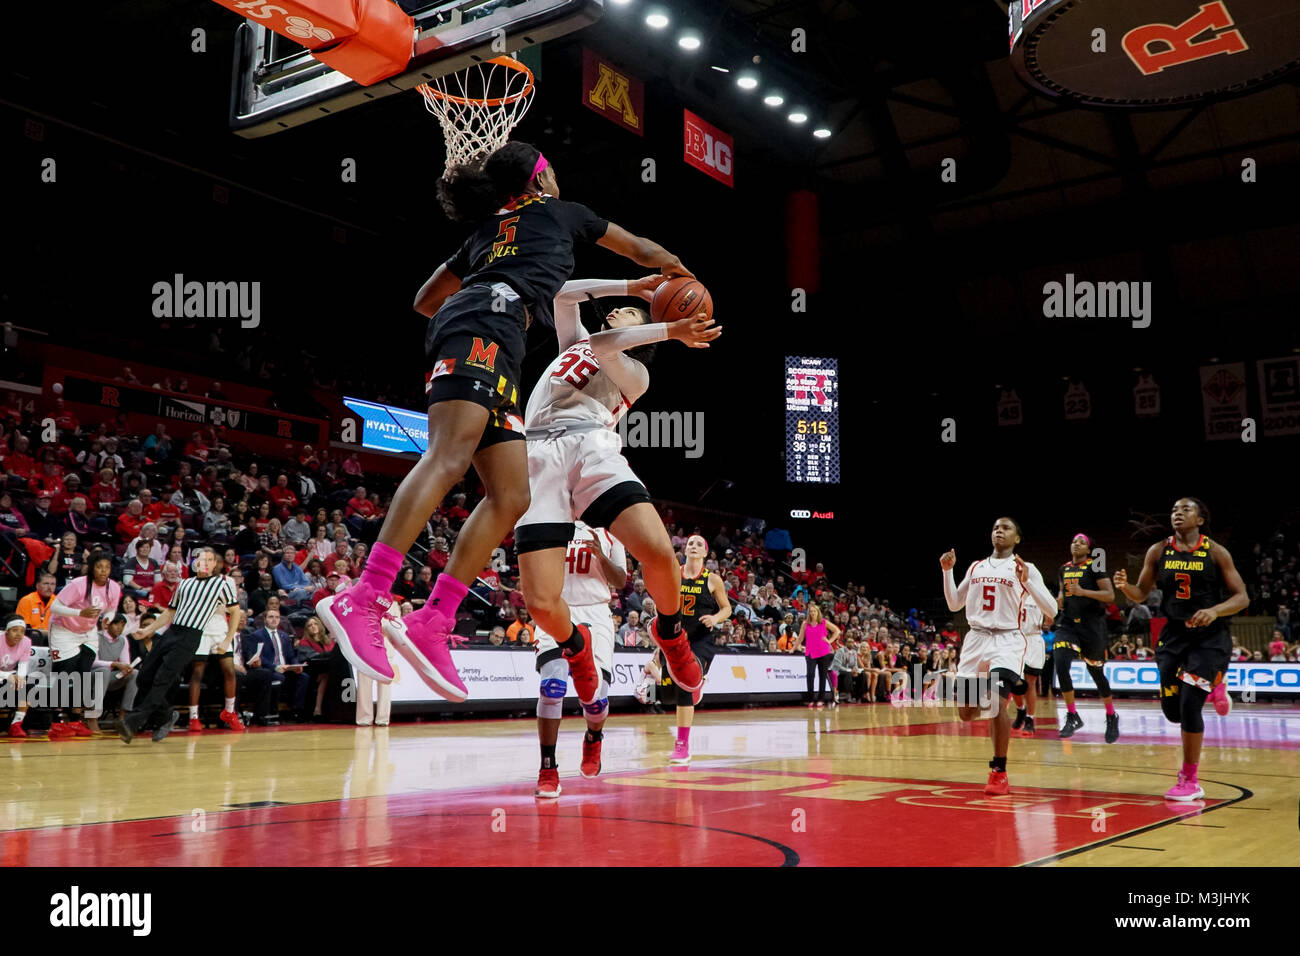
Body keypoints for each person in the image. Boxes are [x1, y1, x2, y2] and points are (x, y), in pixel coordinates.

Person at [318, 139, 696, 708]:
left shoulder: (482, 235)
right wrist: (678, 272)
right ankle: (365, 594)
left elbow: (424, 300)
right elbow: (641, 248)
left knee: (510, 495)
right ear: (541, 179)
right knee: (447, 457)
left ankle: (434, 619)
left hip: (496, 339)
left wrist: (487, 281)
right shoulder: (560, 213)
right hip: (485, 330)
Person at [510, 272, 721, 726]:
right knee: (541, 603)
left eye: (624, 313)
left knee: (660, 551)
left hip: (590, 446)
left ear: (643, 330)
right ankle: (576, 650)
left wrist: (669, 328)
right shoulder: (575, 343)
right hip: (537, 455)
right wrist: (631, 286)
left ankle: (669, 633)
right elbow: (564, 294)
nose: (611, 312)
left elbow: (607, 345)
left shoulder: (638, 375)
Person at [1112, 498, 1248, 801]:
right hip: (1173, 636)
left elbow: (1242, 598)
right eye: (1174, 510)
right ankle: (1217, 684)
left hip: (1209, 638)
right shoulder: (1158, 550)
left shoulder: (1215, 552)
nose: (1178, 513)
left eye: (1186, 510)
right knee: (1173, 713)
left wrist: (1215, 610)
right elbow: (1141, 593)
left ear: (1200, 520)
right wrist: (1125, 588)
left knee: (1189, 706)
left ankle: (1189, 779)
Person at [941, 517, 1056, 796]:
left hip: (1007, 640)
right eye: (995, 528)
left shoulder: (1025, 568)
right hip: (976, 638)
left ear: (1017, 538)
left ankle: (999, 771)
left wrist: (1029, 583)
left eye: (1006, 528)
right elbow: (955, 602)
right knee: (966, 713)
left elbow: (1052, 609)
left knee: (996, 701)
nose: (999, 531)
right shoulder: (976, 566)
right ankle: (995, 705)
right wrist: (947, 571)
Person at [532, 522, 627, 798]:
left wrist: (601, 554)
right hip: (557, 607)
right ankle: (547, 767)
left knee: (595, 702)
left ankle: (593, 736)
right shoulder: (552, 522)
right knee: (551, 688)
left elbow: (621, 580)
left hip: (596, 612)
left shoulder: (611, 531)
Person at [121, 547, 239, 743]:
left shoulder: (222, 584)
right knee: (144, 676)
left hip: (191, 636)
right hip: (171, 632)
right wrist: (149, 630)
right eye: (203, 558)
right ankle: (166, 715)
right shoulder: (184, 583)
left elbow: (235, 612)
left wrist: (227, 639)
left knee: (162, 678)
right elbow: (169, 613)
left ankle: (133, 722)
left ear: (215, 565)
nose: (206, 562)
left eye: (210, 560)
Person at [664, 534, 730, 765]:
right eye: (690, 543)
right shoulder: (674, 573)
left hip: (701, 641)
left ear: (705, 553)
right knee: (666, 693)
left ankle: (682, 745)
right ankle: (696, 686)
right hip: (676, 638)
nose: (693, 546)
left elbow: (727, 608)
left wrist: (715, 618)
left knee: (684, 685)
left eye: (699, 544)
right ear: (685, 550)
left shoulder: (712, 579)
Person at [46, 552, 122, 738]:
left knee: (84, 674)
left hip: (87, 632)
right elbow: (54, 607)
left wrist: (107, 619)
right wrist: (80, 612)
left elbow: (112, 608)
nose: (103, 571)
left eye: (107, 567)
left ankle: (76, 720)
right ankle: (57, 722)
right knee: (64, 674)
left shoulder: (113, 587)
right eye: (99, 567)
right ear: (92, 568)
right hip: (64, 630)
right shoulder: (78, 584)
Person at [1053, 534, 1119, 742]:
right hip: (1069, 624)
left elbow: (1110, 596)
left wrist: (1083, 592)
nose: (1076, 544)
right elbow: (1063, 594)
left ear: (1089, 550)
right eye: (1074, 541)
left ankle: (1111, 715)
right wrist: (1059, 600)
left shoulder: (1095, 566)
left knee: (1096, 673)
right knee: (1061, 662)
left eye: (1082, 542)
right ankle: (1072, 715)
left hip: (1092, 626)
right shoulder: (1064, 568)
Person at [184, 551, 247, 733]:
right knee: (197, 673)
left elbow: (232, 609)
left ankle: (229, 712)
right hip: (200, 629)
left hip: (220, 628)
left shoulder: (227, 582)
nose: (214, 564)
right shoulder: (192, 582)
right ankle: (193, 717)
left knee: (229, 670)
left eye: (216, 561)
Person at [1009, 580, 1055, 738]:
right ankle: (1020, 709)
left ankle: (1030, 719)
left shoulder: (1039, 594)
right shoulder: (1012, 591)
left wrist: (1049, 619)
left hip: (1034, 639)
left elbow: (1050, 619)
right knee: (1014, 681)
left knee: (1031, 682)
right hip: (1015, 639)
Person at [84, 613, 138, 734]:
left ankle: (123, 717)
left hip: (109, 676)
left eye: (123, 625)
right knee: (104, 671)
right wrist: (113, 664)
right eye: (117, 625)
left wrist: (126, 668)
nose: (120, 628)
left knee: (134, 673)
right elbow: (93, 663)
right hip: (91, 676)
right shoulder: (96, 637)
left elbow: (125, 662)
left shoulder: (123, 640)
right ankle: (92, 717)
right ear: (108, 624)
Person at [798, 603, 840, 709]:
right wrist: (797, 647)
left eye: (814, 611)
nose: (812, 613)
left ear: (818, 612)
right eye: (811, 611)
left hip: (823, 652)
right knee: (810, 674)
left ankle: (821, 699)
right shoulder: (805, 624)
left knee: (822, 675)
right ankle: (811, 698)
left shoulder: (823, 622)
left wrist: (829, 641)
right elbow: (800, 638)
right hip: (811, 652)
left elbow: (837, 630)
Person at [2, 618, 34, 737]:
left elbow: (23, 663)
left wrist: (20, 678)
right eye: (15, 630)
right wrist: (8, 675)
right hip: (5, 674)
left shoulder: (26, 642)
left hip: (10, 674)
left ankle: (16, 724)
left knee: (28, 685)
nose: (19, 634)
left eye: (22, 631)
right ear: (7, 631)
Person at [16, 573, 56, 643]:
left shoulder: (58, 601)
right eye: (46, 584)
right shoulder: (27, 600)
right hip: (31, 636)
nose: (49, 588)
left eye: (52, 584)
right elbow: (22, 625)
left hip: (53, 637)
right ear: (37, 586)